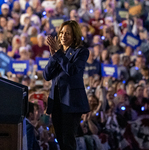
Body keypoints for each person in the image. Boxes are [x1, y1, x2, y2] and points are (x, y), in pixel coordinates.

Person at [43, 20, 90, 150]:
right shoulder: (58, 53)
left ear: (74, 36)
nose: (63, 36)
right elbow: (46, 76)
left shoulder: (81, 52)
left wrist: (58, 54)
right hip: (57, 102)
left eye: (67, 33)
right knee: (60, 139)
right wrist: (53, 56)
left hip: (71, 103)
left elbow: (72, 71)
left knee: (68, 141)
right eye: (62, 33)